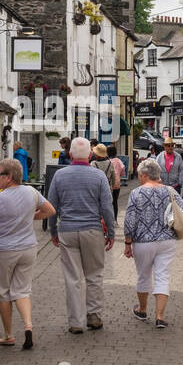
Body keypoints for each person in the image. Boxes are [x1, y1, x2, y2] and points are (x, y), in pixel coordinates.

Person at [0, 158, 56, 348]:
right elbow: (50, 210)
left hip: (3, 250)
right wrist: (32, 216)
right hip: (28, 248)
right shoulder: (31, 192)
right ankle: (28, 326)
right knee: (22, 291)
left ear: (9, 177)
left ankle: (8, 335)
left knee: (3, 293)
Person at [48, 137, 116, 333]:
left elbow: (52, 206)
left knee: (72, 278)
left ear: (70, 155)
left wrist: (53, 231)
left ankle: (76, 322)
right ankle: (94, 315)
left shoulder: (60, 176)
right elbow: (107, 207)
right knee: (94, 275)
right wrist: (110, 232)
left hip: (67, 230)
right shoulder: (99, 177)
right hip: (93, 230)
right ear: (89, 155)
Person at [124, 158, 183, 329]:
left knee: (143, 275)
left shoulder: (136, 193)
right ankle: (160, 316)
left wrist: (127, 242)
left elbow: (130, 219)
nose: (138, 177)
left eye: (139, 175)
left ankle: (142, 309)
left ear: (145, 175)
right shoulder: (170, 191)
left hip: (143, 241)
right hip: (167, 240)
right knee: (163, 276)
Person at [92, 142, 121, 217]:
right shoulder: (110, 163)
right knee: (107, 207)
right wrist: (111, 186)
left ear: (96, 154)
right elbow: (113, 178)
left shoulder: (93, 164)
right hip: (108, 188)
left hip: (96, 189)